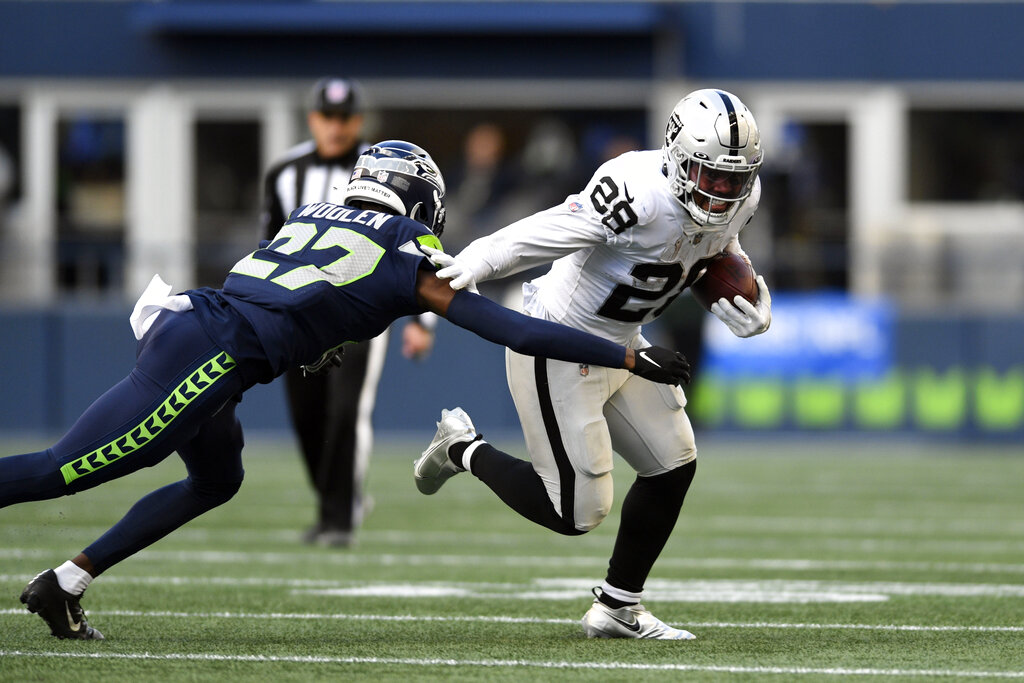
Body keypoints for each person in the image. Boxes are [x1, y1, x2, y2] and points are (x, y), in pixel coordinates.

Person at [3, 140, 689, 641]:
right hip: (208, 357)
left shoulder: (310, 212)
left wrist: (314, 342)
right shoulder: (405, 252)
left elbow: (295, 292)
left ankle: (65, 581)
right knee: (64, 469)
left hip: (198, 328)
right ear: (422, 202)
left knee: (216, 480)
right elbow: (515, 329)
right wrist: (623, 351)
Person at [414, 89, 772, 640]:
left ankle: (618, 608)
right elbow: (547, 231)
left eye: (734, 179)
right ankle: (462, 448)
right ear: (677, 156)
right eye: (711, 176)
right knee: (576, 513)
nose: (723, 192)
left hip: (627, 339)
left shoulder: (738, 198)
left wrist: (753, 293)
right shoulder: (636, 191)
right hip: (561, 341)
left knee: (673, 462)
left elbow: (719, 247)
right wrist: (479, 258)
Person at [261, 77, 435, 546]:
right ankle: (335, 501)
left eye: (345, 118)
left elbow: (422, 240)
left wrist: (422, 319)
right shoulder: (284, 173)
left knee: (346, 410)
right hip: (298, 307)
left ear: (358, 121)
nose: (336, 127)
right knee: (306, 413)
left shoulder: (387, 168)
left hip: (361, 309)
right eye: (327, 117)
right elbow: (270, 245)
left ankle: (340, 518)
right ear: (312, 119)